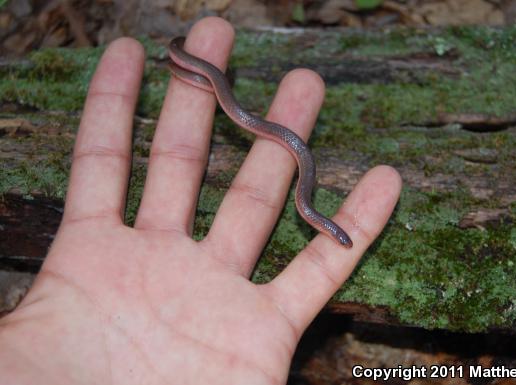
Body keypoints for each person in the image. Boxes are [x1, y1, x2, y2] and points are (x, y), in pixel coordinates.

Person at [0, 17, 401, 385]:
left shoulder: (306, 202)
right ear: (324, 227)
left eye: (339, 236)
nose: (338, 237)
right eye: (338, 235)